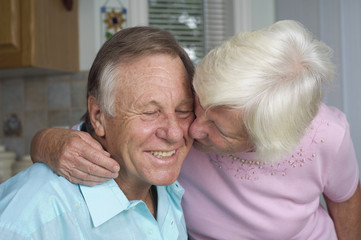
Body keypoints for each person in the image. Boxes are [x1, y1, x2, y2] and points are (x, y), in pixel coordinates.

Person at [30, 20, 361, 240]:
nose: (189, 130)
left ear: (260, 142)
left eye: (218, 128)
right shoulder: (170, 134)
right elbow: (106, 130)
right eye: (197, 104)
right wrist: (46, 142)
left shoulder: (327, 136)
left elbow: (346, 203)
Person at [0, 26, 195, 239]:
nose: (175, 133)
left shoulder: (172, 180)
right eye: (150, 112)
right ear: (98, 116)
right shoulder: (32, 220)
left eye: (183, 111)